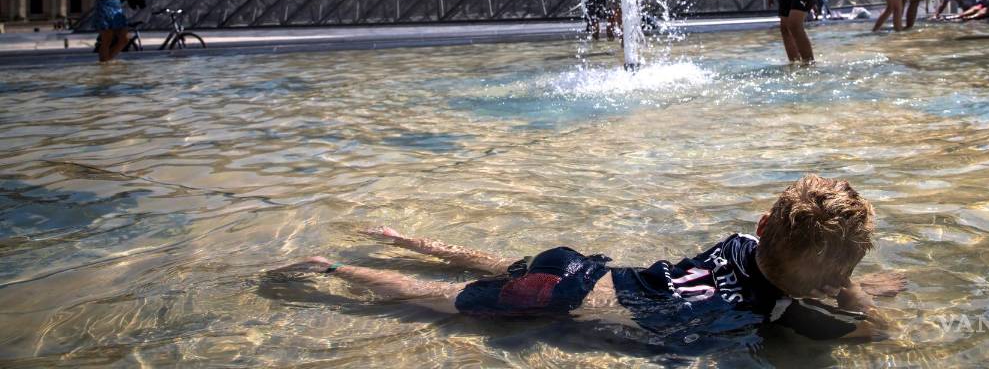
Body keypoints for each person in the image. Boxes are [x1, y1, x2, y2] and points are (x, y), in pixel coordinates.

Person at [269, 175, 907, 350]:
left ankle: (410, 239)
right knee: (433, 300)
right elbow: (882, 332)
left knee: (499, 265)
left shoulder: (742, 245)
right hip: (561, 302)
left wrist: (837, 276)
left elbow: (782, 265)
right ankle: (332, 270)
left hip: (584, 267)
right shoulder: (782, 311)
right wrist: (853, 289)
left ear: (764, 224)